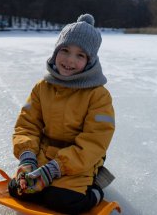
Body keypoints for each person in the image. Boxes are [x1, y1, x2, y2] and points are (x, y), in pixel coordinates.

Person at [8, 14, 116, 214]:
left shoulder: (98, 95)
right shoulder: (42, 87)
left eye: (80, 55)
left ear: (90, 61)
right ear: (56, 51)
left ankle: (96, 188)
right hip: (44, 154)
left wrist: (54, 169)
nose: (69, 60)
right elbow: (27, 125)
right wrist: (27, 158)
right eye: (65, 50)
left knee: (61, 200)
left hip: (79, 161)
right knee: (19, 190)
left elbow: (95, 142)